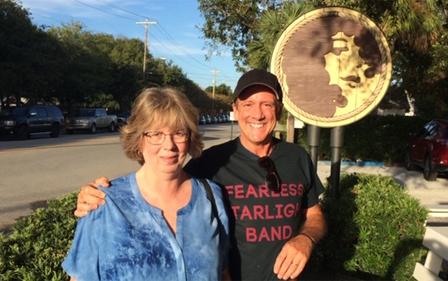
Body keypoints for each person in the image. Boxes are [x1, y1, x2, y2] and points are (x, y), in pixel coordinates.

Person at [75, 69, 327, 281]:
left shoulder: (297, 158)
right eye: (248, 104)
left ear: (278, 110)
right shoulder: (211, 164)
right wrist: (97, 195)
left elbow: (315, 215)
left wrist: (305, 239)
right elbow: (159, 177)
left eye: (267, 105)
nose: (257, 113)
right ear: (235, 110)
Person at [63, 87, 230, 281]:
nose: (169, 145)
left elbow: (223, 272)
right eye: (156, 134)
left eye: (178, 133)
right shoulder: (105, 204)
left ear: (190, 137)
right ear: (139, 140)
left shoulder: (210, 197)